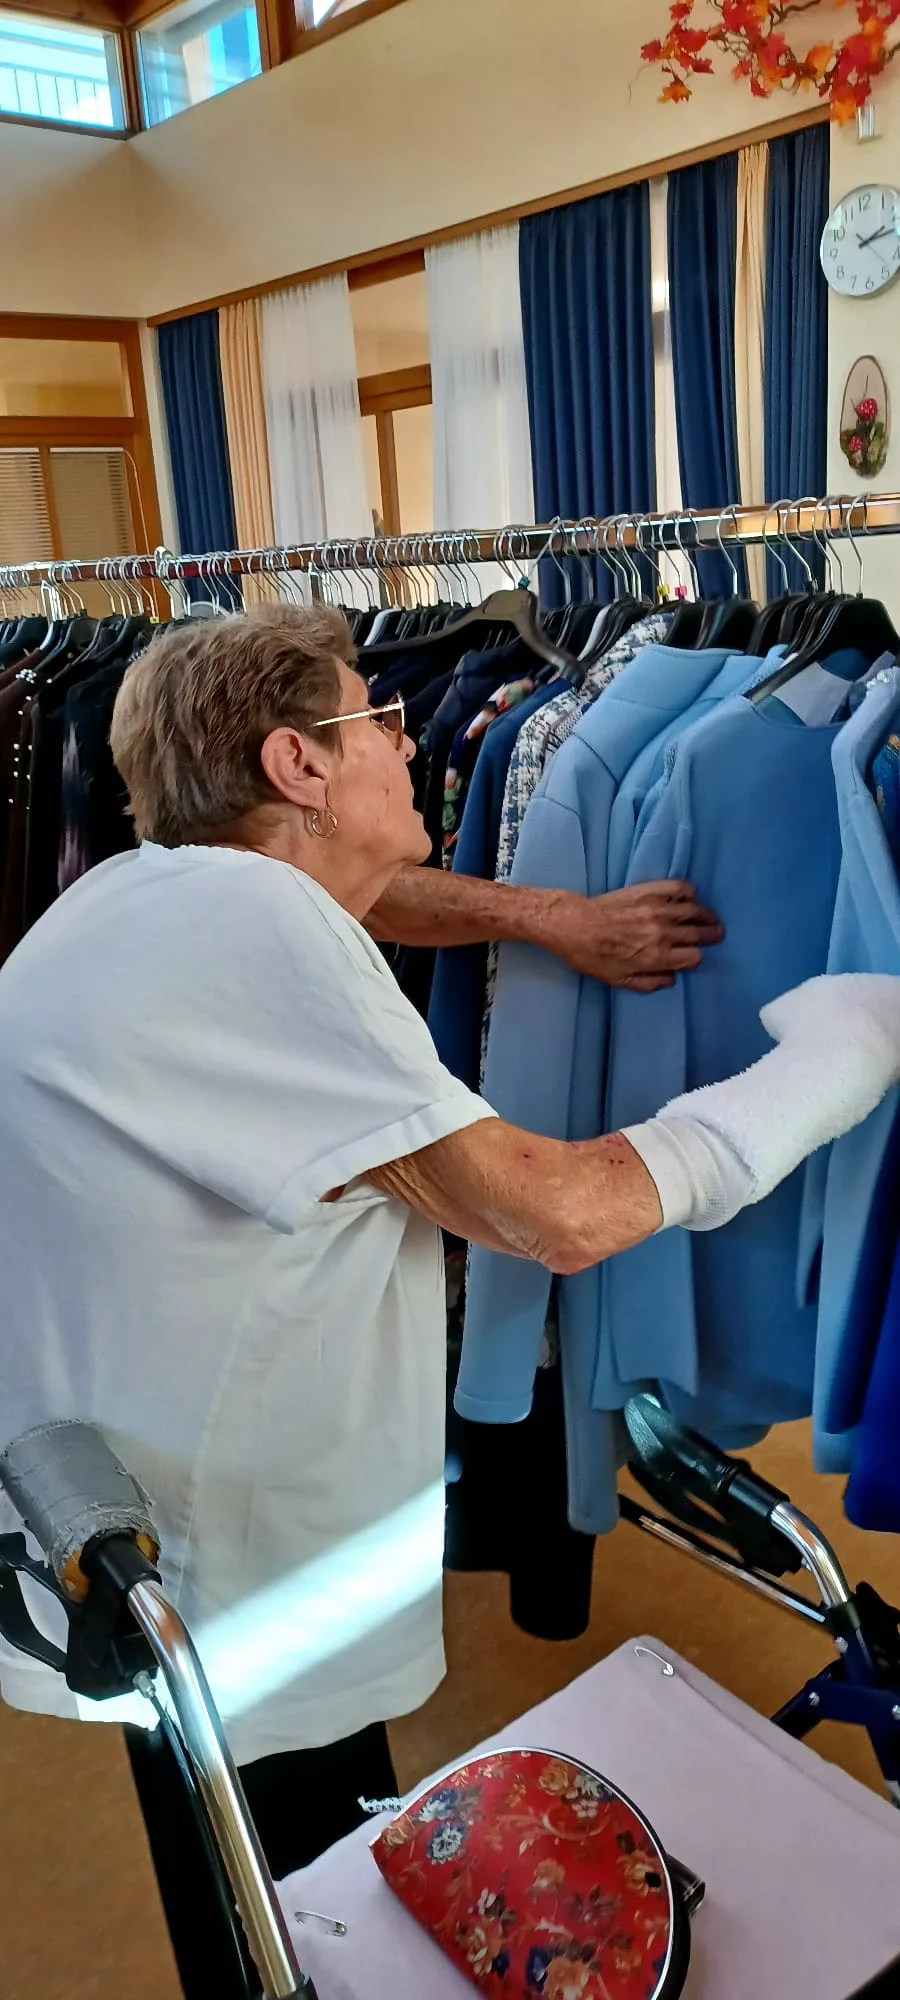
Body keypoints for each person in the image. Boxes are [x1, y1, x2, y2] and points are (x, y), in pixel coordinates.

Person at [0, 604, 897, 1940]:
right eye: (380, 719)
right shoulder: (254, 934)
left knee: (252, 1838)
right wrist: (847, 1051)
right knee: (285, 1900)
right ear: (299, 764)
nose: (412, 741)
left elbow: (367, 891)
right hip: (227, 1554)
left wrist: (552, 919)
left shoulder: (142, 894)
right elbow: (563, 1213)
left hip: (118, 1510)